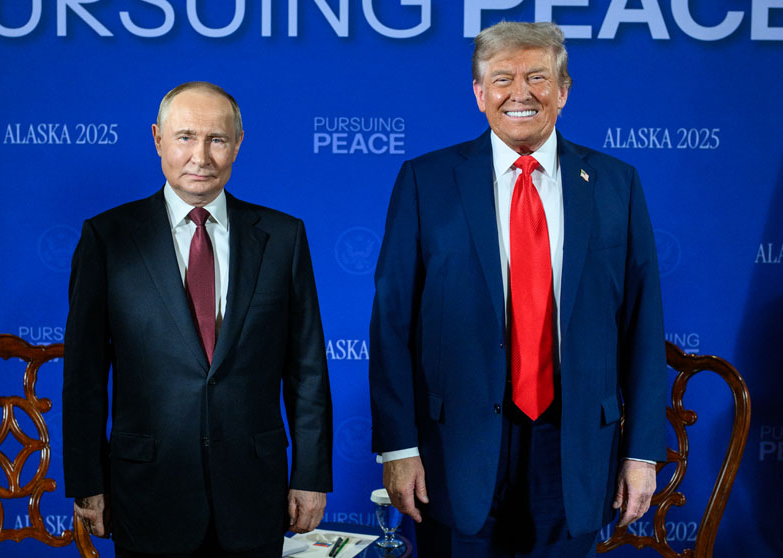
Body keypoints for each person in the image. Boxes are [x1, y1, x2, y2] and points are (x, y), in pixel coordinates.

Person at [369, 21, 666, 557]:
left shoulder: (616, 184)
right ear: (479, 93)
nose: (520, 93)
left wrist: (642, 451)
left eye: (538, 77)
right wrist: (398, 447)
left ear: (563, 90)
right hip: (452, 448)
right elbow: (391, 323)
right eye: (502, 79)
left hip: (575, 444)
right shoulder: (425, 181)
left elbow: (643, 327)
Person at [62, 81, 332, 558]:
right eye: (185, 137)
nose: (200, 156)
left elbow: (307, 369)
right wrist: (88, 482)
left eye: (217, 139)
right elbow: (84, 374)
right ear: (157, 139)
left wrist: (310, 476)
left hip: (253, 494)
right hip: (146, 493)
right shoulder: (107, 238)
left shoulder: (283, 237)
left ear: (239, 144)